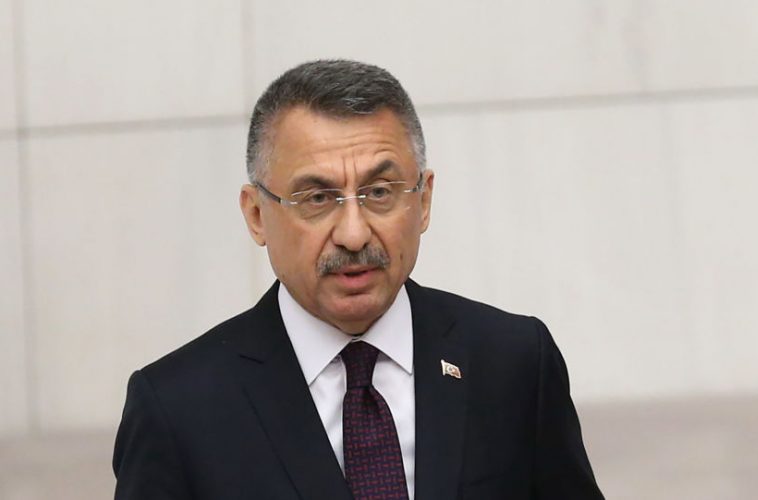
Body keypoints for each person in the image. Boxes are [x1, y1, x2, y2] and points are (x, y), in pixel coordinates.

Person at [113, 59, 604, 500]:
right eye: (317, 198)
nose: (353, 234)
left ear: (424, 201)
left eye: (380, 192)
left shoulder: (513, 362)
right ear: (256, 214)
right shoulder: (178, 408)